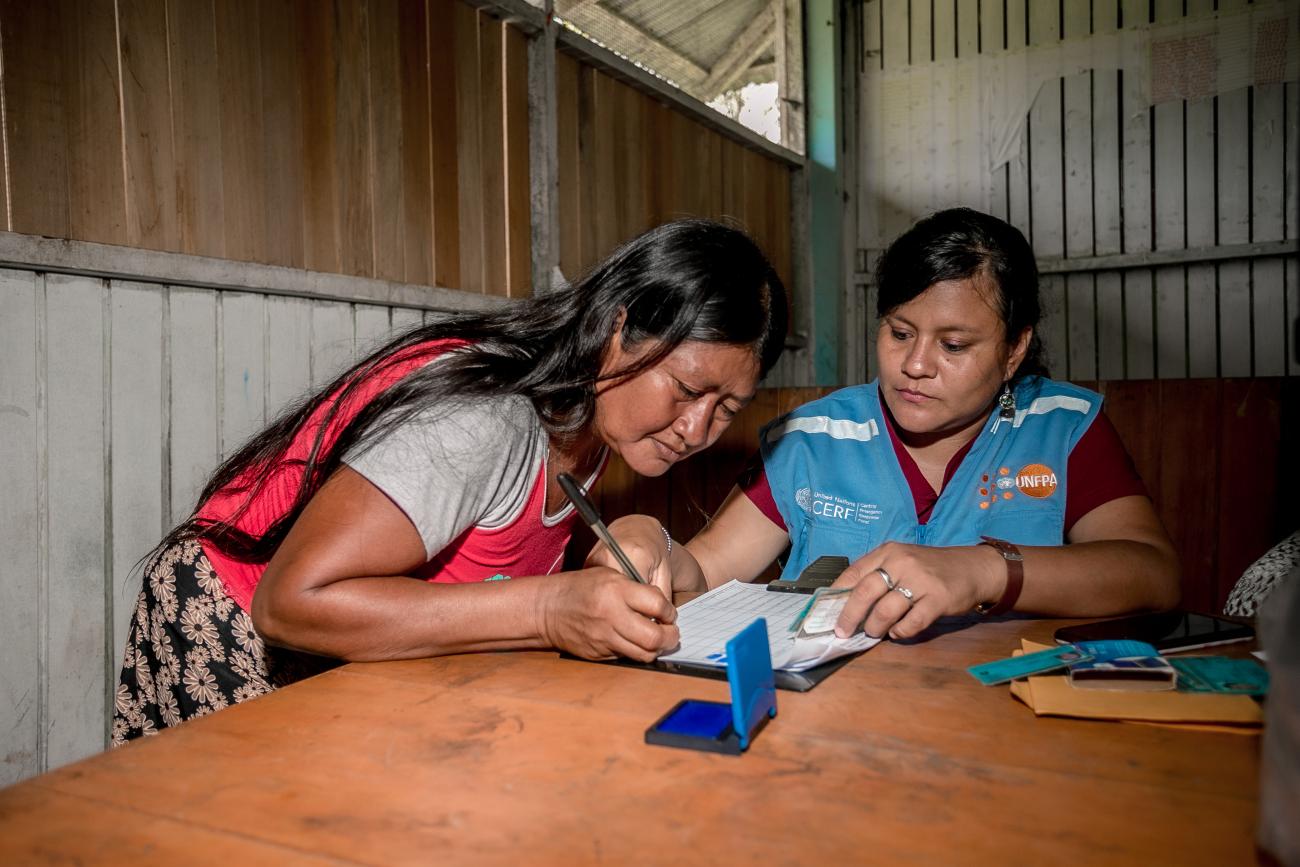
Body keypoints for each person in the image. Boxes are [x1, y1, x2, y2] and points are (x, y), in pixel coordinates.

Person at [113, 219, 788, 743]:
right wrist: (549, 608)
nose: (697, 429)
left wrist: (634, 543)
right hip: (228, 616)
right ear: (621, 328)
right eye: (687, 389)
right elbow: (290, 600)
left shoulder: (592, 427)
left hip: (345, 652)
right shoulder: (485, 419)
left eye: (725, 409)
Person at [606, 207, 1180, 641]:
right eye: (899, 332)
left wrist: (983, 571)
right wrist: (649, 543)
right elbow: (704, 572)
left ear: (1014, 350)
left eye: (954, 344)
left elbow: (1152, 574)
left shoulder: (1063, 428)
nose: (915, 364)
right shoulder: (813, 439)